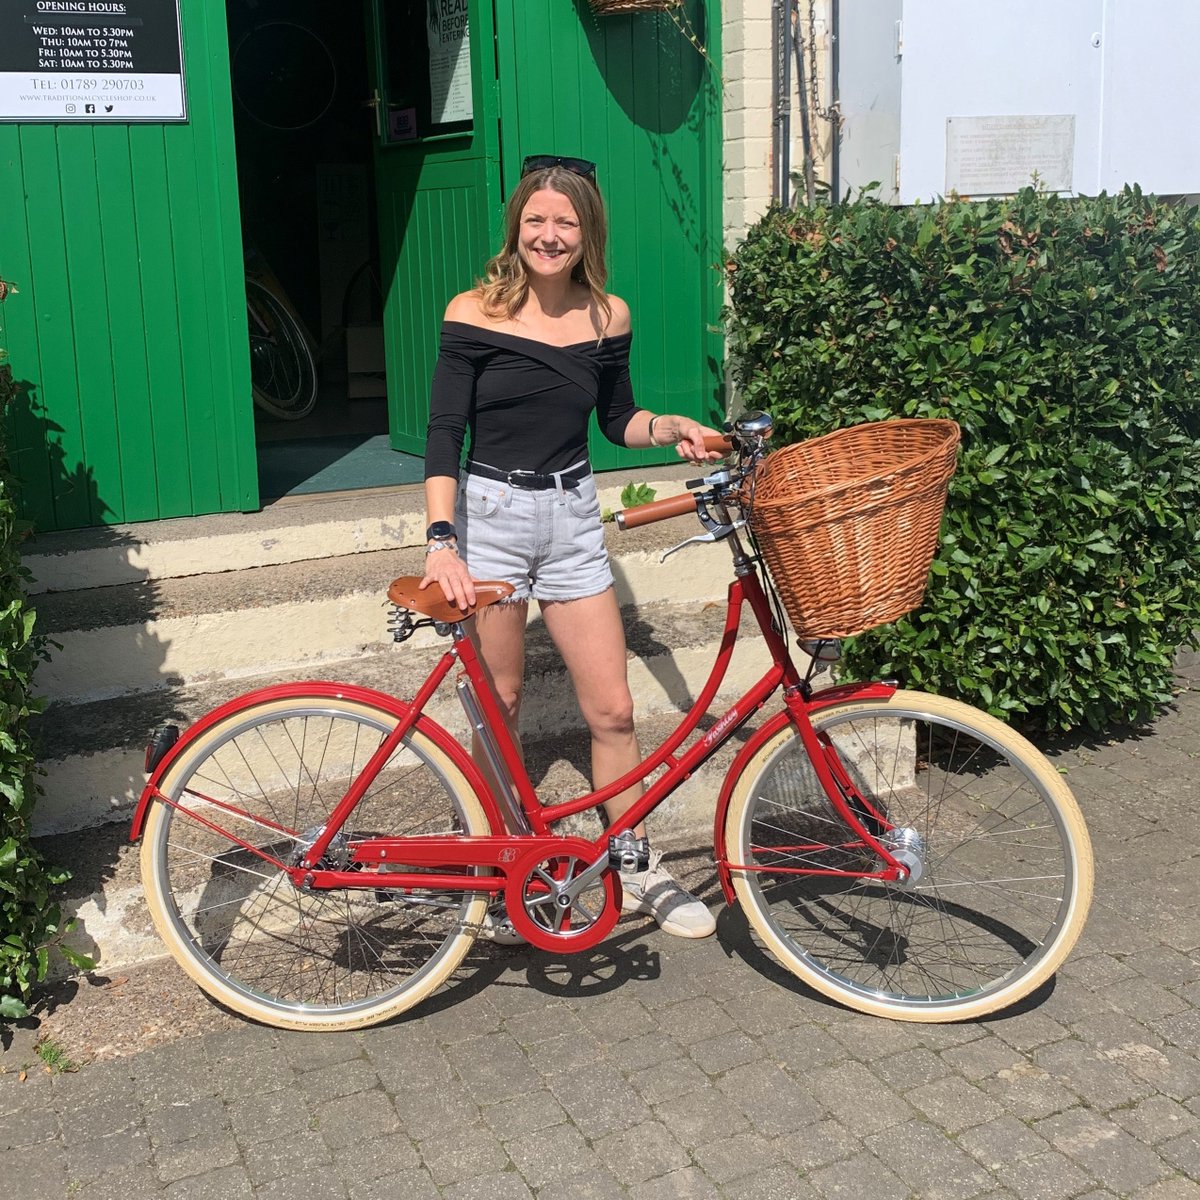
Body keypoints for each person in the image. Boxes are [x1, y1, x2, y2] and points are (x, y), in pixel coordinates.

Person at [420, 154, 723, 939]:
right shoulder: (472, 311)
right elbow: (444, 433)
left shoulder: (607, 316)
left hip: (571, 520)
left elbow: (617, 418)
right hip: (489, 516)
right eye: (536, 220)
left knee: (615, 710)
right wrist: (442, 541)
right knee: (502, 706)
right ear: (516, 225)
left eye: (565, 223)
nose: (549, 235)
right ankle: (495, 867)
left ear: (587, 233)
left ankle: (633, 859)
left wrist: (672, 428)